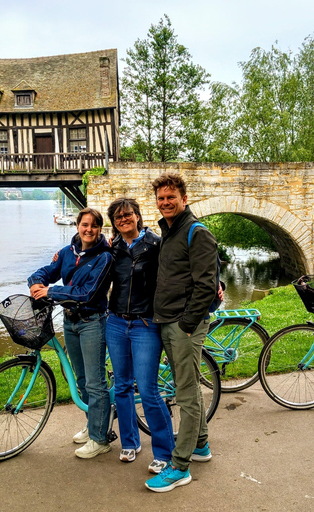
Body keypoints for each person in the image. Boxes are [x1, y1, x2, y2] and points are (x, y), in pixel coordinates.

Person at [145, 172, 218, 493]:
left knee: (186, 393)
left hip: (183, 325)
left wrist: (188, 326)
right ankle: (200, 444)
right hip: (167, 320)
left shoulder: (196, 232)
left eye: (171, 197)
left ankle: (180, 467)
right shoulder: (170, 233)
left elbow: (206, 286)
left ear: (184, 199)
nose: (165, 203)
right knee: (185, 386)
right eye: (161, 198)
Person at [27, 207, 114, 459]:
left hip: (92, 322)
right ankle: (93, 425)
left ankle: (101, 439)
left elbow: (88, 292)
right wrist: (36, 281)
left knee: (96, 382)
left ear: (100, 229)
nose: (89, 230)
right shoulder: (67, 253)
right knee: (81, 380)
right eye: (84, 224)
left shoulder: (104, 258)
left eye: (94, 226)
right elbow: (48, 271)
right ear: (77, 226)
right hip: (70, 322)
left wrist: (51, 293)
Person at [105, 197, 175, 474]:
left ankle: (164, 452)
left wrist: (216, 283)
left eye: (128, 215)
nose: (123, 220)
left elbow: (179, 269)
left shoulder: (156, 244)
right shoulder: (113, 248)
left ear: (137, 216)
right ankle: (130, 442)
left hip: (145, 324)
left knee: (147, 390)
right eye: (118, 217)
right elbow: (82, 252)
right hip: (116, 323)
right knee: (122, 387)